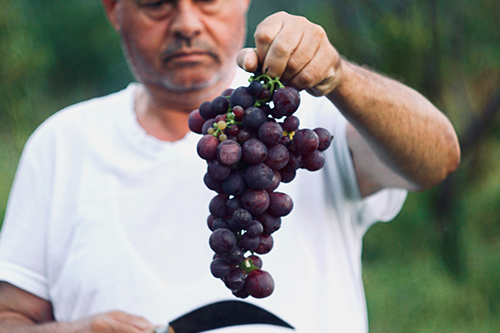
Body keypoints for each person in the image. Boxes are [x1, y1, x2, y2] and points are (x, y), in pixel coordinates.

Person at [0, 0, 460, 332]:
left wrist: (340, 76)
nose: (185, 23)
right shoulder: (62, 143)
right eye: (156, 5)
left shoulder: (312, 117)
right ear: (113, 9)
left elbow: (439, 157)